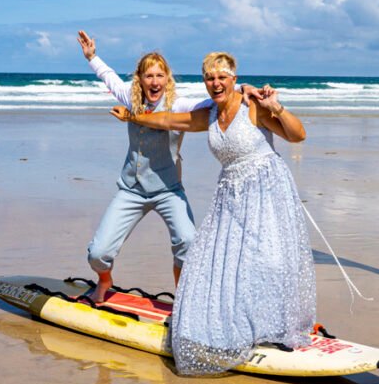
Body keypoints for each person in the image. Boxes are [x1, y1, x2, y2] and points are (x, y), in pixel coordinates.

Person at [111, 51, 317, 376]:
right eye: (210, 77)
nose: (216, 82)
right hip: (231, 194)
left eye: (222, 76)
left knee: (268, 259)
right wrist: (133, 118)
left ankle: (275, 327)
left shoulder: (253, 107)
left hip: (266, 190)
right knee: (221, 262)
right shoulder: (207, 115)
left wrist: (277, 108)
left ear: (234, 78)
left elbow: (297, 134)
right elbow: (167, 120)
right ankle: (236, 325)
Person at [78, 32, 257, 304]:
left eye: (160, 76)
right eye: (148, 76)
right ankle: (105, 280)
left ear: (167, 79)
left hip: (168, 190)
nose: (154, 81)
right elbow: (109, 77)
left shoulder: (179, 105)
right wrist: (92, 57)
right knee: (97, 253)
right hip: (131, 189)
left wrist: (242, 88)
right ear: (140, 79)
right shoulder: (131, 98)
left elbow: (217, 98)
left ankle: (183, 300)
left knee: (188, 243)